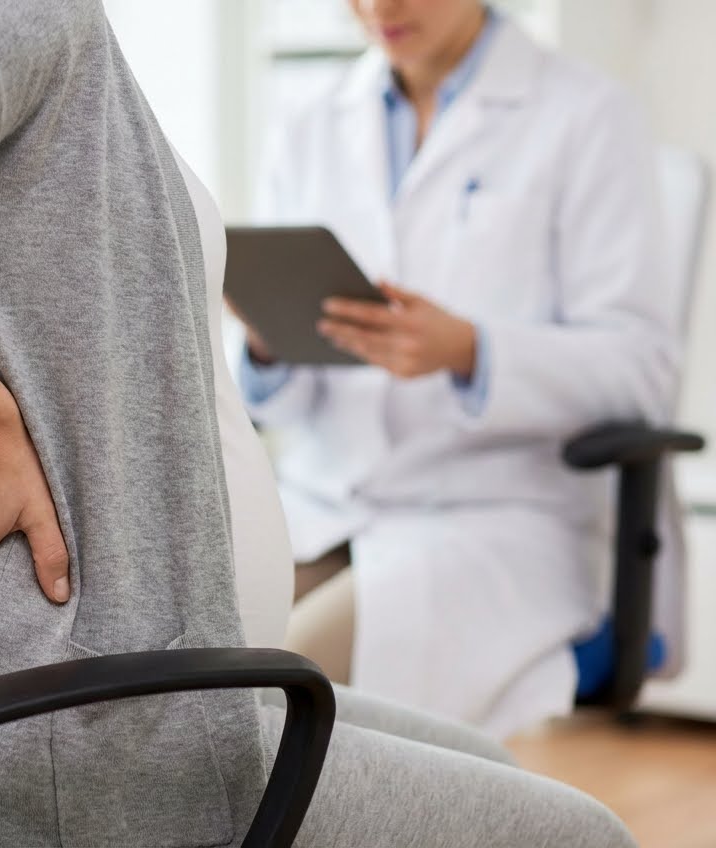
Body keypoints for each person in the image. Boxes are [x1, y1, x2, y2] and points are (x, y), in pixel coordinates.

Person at [0, 1, 636, 844]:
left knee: (485, 768)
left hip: (54, 707)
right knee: (584, 836)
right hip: (69, 732)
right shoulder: (12, 9)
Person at [237, 0, 679, 737]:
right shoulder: (311, 120)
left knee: (277, 699)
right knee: (186, 678)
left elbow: (641, 369)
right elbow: (283, 401)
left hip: (493, 524)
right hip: (327, 504)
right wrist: (265, 346)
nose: (381, 7)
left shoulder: (587, 116)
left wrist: (471, 350)